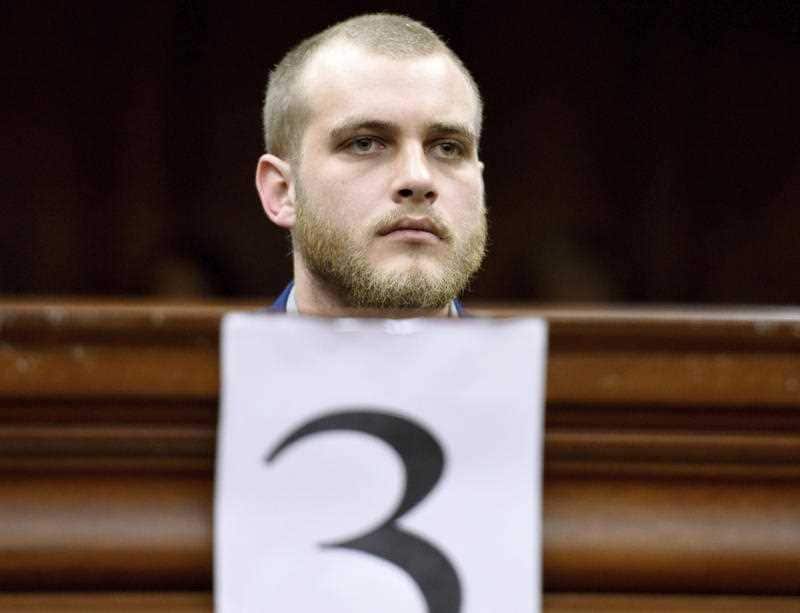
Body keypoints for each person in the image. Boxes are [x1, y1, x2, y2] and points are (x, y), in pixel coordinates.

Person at [256, 13, 488, 316]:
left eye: (448, 147)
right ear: (283, 191)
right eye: (364, 144)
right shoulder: (212, 365)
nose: (418, 179)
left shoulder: (540, 365)